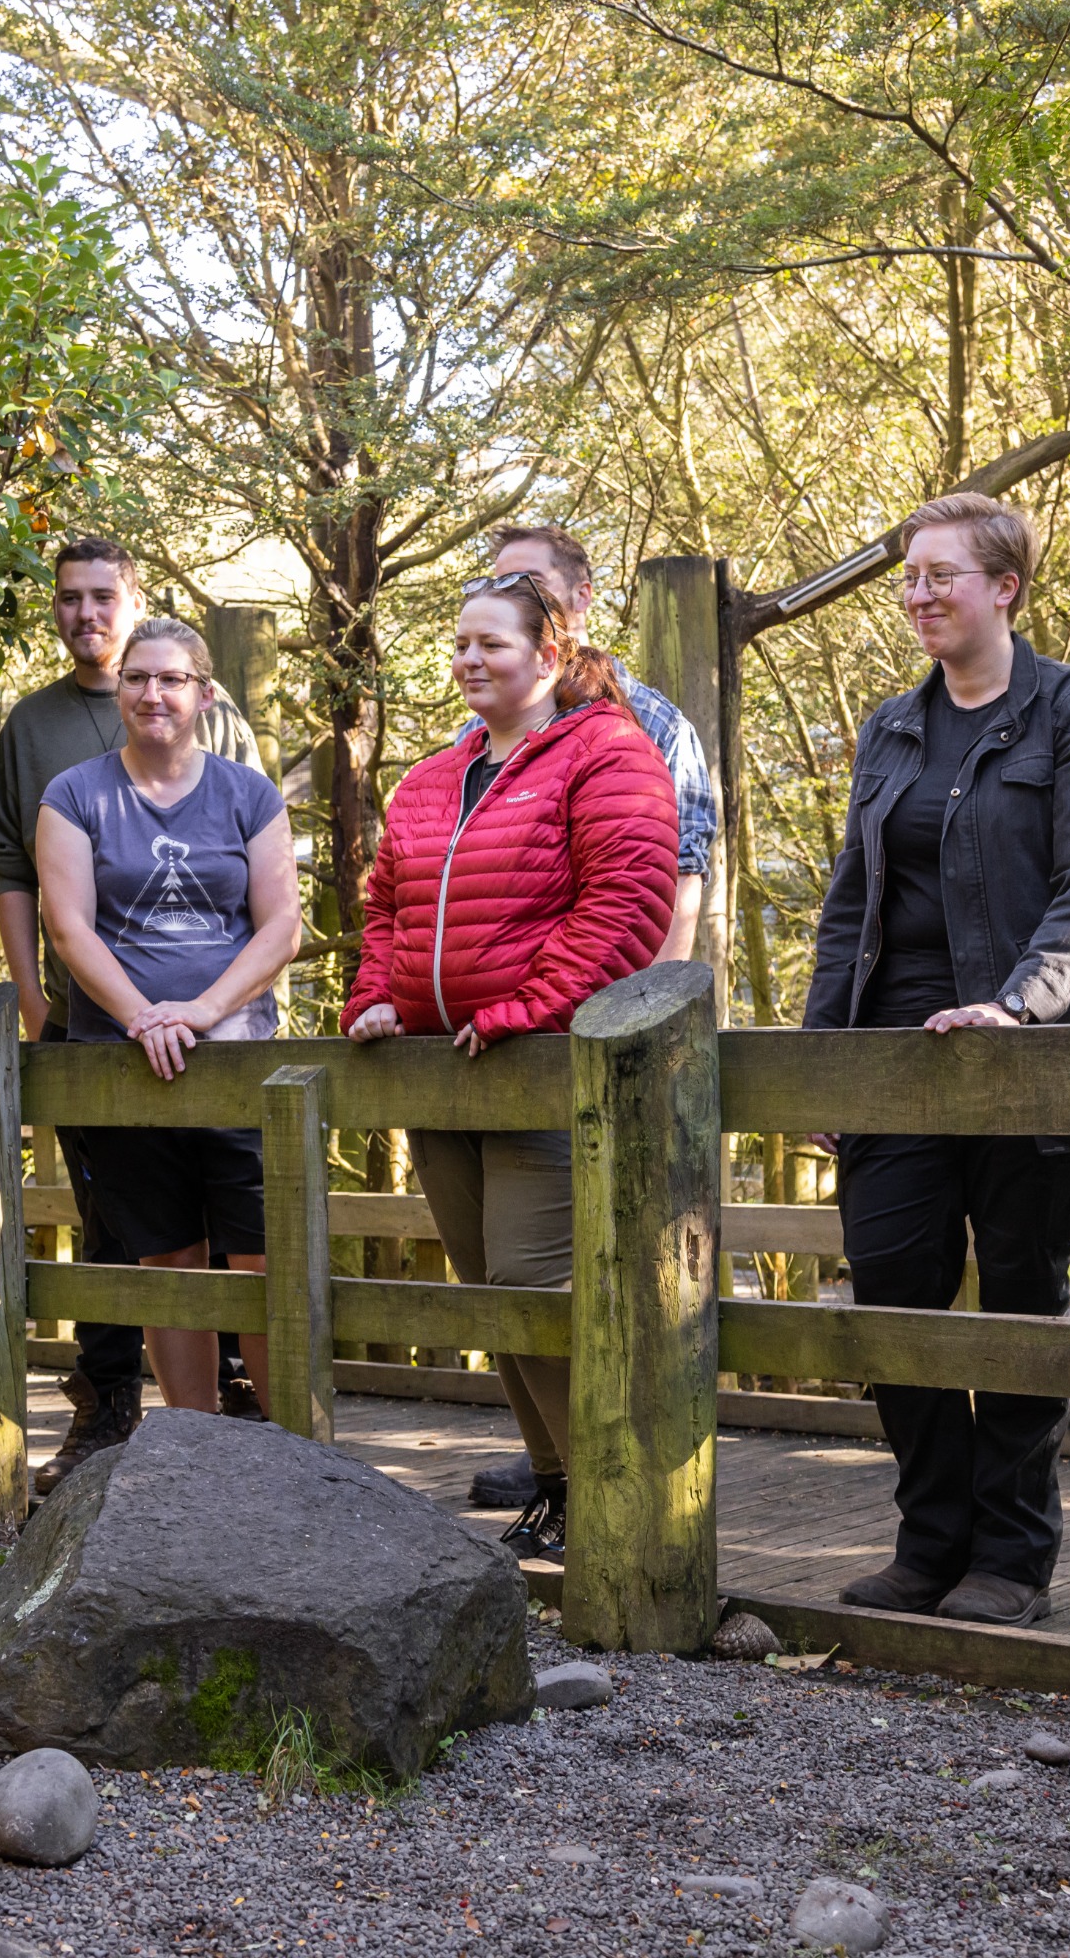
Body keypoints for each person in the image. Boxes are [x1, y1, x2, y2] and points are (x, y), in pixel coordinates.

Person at [801, 492, 1070, 1626]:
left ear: (1005, 586)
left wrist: (1018, 1009)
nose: (919, 592)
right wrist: (822, 1065)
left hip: (1032, 1059)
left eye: (942, 573)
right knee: (893, 1285)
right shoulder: (890, 727)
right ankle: (929, 1536)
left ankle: (1010, 1555)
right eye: (910, 575)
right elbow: (851, 903)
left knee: (1019, 1298)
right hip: (895, 1056)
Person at [346, 571, 679, 1560]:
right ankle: (557, 1486)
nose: (470, 659)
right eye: (460, 642)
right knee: (490, 1288)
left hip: (534, 1062)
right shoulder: (432, 777)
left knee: (536, 1281)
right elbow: (385, 907)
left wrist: (529, 1009)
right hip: (439, 1067)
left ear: (550, 651)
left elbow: (629, 898)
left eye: (492, 641)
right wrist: (376, 996)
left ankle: (612, 1504)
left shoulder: (605, 752)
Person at [0, 539, 265, 1487]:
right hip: (96, 1022)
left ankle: (251, 1420)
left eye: (105, 597)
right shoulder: (36, 736)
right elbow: (21, 880)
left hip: (227, 1033)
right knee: (126, 1228)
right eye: (70, 598)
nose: (86, 614)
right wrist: (36, 998)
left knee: (245, 1235)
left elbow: (262, 900)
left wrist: (225, 1007)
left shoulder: (226, 746)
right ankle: (110, 1411)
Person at [461, 523, 719, 1514]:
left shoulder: (643, 719)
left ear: (577, 599)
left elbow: (672, 886)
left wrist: (636, 1026)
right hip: (506, 1040)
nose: (508, 599)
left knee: (613, 1259)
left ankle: (627, 1484)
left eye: (528, 584)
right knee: (511, 1265)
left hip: (615, 1030)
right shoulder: (476, 735)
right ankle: (559, 1463)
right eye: (495, 585)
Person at [34, 618, 298, 1412]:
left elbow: (282, 923)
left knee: (263, 1260)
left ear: (204, 695)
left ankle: (288, 1456)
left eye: (172, 679)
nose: (153, 693)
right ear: (120, 691)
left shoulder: (249, 793)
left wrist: (205, 1011)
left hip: (239, 1064)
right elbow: (68, 925)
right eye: (138, 678)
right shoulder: (74, 794)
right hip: (124, 1069)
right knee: (169, 1263)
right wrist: (145, 1016)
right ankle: (196, 1446)